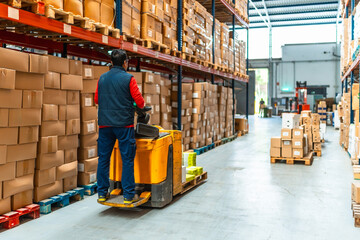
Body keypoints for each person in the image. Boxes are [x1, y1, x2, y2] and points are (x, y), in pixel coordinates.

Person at [94, 49, 145, 204]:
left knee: (103, 159)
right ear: (125, 63)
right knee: (127, 159)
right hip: (124, 125)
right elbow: (140, 102)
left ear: (111, 62)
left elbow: (97, 99)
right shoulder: (129, 78)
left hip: (104, 125)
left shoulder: (102, 78)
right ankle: (128, 196)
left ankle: (102, 193)